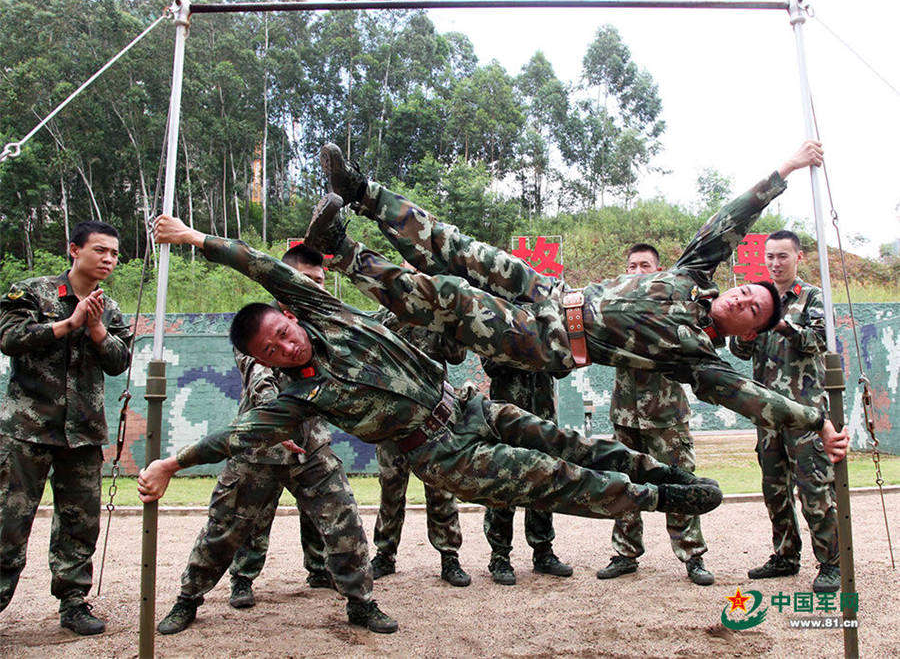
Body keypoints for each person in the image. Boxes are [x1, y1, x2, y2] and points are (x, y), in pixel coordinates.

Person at [139, 216, 726, 537]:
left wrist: (195, 240)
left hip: (467, 406)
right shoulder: (296, 397)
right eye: (273, 350)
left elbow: (262, 264)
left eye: (282, 332)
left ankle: (667, 475)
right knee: (553, 477)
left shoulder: (322, 312)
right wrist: (170, 463)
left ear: (290, 317)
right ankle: (659, 498)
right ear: (264, 363)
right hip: (444, 454)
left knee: (570, 441)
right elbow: (233, 438)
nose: (286, 346)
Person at [303, 140, 848, 464]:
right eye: (747, 288)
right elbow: (729, 220)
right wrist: (785, 171)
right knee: (459, 247)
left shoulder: (696, 359)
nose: (742, 297)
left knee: (449, 299)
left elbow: (754, 399)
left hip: (552, 340)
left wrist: (816, 420)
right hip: (549, 292)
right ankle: (361, 191)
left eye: (752, 308)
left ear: (747, 334)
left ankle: (344, 252)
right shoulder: (687, 275)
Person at [156, 244, 397, 635]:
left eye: (318, 281)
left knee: (344, 524)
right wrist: (275, 423)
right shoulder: (259, 329)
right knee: (224, 529)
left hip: (311, 450)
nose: (315, 287)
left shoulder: (319, 324)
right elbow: (260, 378)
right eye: (307, 280)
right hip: (258, 449)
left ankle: (361, 602)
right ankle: (188, 599)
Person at [0, 221, 132, 635]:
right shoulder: (32, 293)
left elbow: (119, 361)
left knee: (80, 523)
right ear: (74, 250)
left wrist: (96, 330)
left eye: (114, 253)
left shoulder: (109, 310)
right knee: (8, 521)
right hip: (27, 430)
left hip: (83, 433)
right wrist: (67, 324)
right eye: (100, 251)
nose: (108, 259)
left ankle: (73, 603)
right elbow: (9, 337)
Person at [729, 229, 840, 593]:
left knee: (815, 490)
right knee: (774, 490)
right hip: (768, 416)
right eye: (770, 257)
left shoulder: (811, 297)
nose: (775, 264)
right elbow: (741, 353)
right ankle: (785, 555)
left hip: (805, 414)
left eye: (783, 257)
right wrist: (743, 335)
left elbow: (819, 340)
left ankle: (831, 564)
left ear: (798, 258)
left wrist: (780, 323)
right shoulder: (757, 297)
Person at [595, 244, 712, 586]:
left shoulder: (674, 308)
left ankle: (693, 555)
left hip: (666, 415)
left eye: (645, 265)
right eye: (631, 266)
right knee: (624, 484)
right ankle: (625, 553)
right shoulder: (612, 309)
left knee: (680, 482)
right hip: (625, 415)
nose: (637, 271)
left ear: (659, 272)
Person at [368, 307, 471, 587]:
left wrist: (447, 317)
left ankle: (449, 557)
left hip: (433, 416)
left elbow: (457, 355)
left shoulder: (437, 311)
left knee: (441, 488)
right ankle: (385, 555)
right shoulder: (385, 313)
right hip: (392, 415)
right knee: (391, 488)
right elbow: (373, 349)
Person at [480, 359, 573, 585]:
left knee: (543, 480)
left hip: (542, 416)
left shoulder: (549, 322)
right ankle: (499, 556)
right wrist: (524, 347)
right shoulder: (498, 322)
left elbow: (563, 368)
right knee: (503, 481)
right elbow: (490, 365)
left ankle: (543, 551)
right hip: (506, 416)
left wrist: (547, 346)